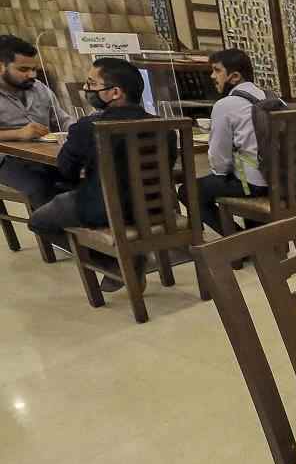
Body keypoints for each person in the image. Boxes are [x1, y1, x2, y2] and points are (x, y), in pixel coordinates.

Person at [29, 58, 173, 292]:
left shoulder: (88, 128)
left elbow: (66, 171)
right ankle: (128, 260)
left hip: (104, 209)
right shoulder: (164, 125)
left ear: (114, 92)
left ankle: (117, 263)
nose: (86, 90)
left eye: (91, 84)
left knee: (39, 220)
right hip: (155, 207)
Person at [180, 49, 277, 236]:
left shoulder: (225, 105)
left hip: (255, 184)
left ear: (234, 76)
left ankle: (238, 242)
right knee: (243, 173)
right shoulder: (272, 97)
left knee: (189, 191)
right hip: (282, 177)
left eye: (217, 70)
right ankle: (257, 240)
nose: (212, 76)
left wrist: (221, 173)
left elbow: (220, 161)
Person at [0, 35, 75, 209]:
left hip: (43, 157)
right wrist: (19, 134)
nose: (32, 75)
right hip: (5, 161)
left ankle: (80, 233)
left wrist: (79, 130)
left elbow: (61, 120)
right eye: (24, 69)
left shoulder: (39, 88)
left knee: (81, 177)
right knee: (40, 187)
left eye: (33, 69)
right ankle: (55, 235)